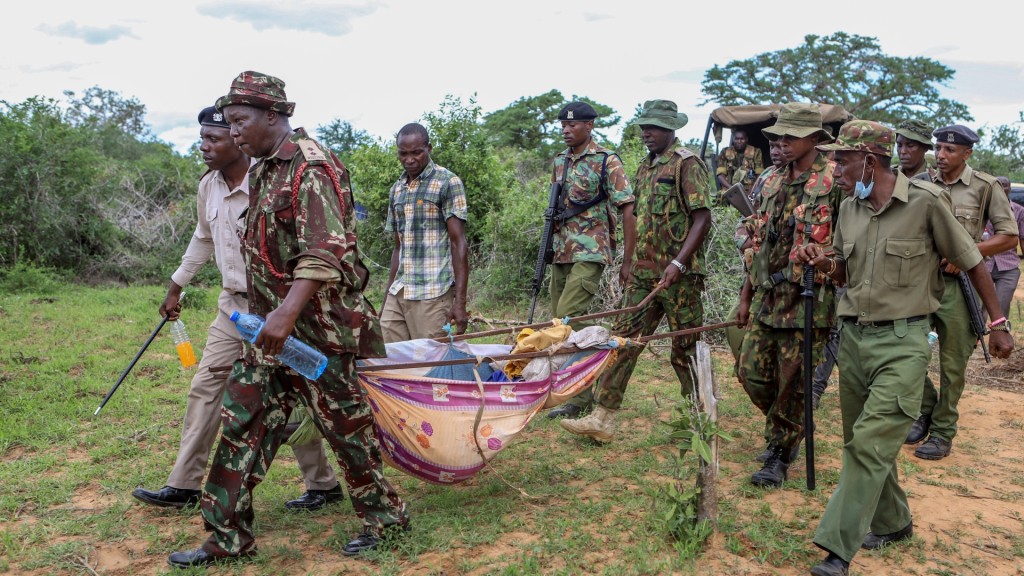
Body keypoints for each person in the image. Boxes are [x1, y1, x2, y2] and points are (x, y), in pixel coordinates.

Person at [167, 72, 408, 568]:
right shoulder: (262, 171)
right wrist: (266, 319)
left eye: (240, 121)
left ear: (272, 117)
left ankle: (385, 519)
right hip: (270, 333)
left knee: (347, 430)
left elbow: (325, 252)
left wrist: (284, 314)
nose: (233, 133)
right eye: (229, 123)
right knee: (242, 421)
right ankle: (226, 538)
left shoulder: (311, 168)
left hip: (321, 333)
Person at [794, 120, 1013, 576]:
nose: (834, 169)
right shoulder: (849, 208)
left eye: (842, 160)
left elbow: (973, 264)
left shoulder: (926, 203)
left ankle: (837, 548)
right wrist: (822, 260)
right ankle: (893, 523)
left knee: (868, 445)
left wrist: (998, 323)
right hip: (853, 340)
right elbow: (841, 270)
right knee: (864, 441)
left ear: (869, 161)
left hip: (902, 343)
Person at [131, 107, 344, 514]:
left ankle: (323, 484)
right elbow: (202, 237)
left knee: (294, 393)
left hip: (280, 308)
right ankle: (184, 484)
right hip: (232, 308)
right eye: (202, 139)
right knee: (207, 386)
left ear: (235, 136)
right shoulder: (208, 186)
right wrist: (177, 286)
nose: (204, 147)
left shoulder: (271, 180)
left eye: (213, 139)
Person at [559, 99, 712, 441]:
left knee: (685, 348)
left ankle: (699, 418)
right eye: (644, 127)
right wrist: (628, 262)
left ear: (672, 129)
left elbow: (702, 217)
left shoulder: (687, 164)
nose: (648, 133)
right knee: (623, 342)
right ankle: (602, 417)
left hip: (680, 276)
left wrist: (679, 262)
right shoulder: (644, 167)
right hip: (644, 273)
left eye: (655, 127)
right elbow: (637, 219)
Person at [735, 102, 841, 487]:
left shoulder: (833, 181)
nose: (781, 142)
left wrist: (827, 262)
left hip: (808, 300)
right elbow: (757, 241)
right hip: (767, 295)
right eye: (778, 136)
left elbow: (847, 244)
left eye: (790, 136)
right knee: (751, 373)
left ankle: (779, 453)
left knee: (794, 382)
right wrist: (746, 296)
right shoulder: (770, 179)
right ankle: (787, 428)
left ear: (814, 138)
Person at [906, 124, 1019, 459]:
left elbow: (1008, 236)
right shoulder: (919, 183)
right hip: (919, 282)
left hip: (960, 285)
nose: (941, 155)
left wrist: (968, 252)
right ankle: (926, 408)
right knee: (906, 350)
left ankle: (942, 431)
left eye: (949, 150)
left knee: (953, 365)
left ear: (967, 153)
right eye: (938, 148)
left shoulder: (984, 187)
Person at [545, 102, 636, 419]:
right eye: (563, 126)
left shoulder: (606, 161)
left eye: (573, 125)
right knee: (560, 323)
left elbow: (627, 207)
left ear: (589, 126)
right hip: (561, 250)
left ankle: (604, 346)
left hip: (591, 249)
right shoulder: (560, 162)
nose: (566, 130)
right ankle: (579, 397)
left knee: (568, 316)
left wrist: (627, 259)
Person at [381, 123, 469, 342]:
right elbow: (398, 247)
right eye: (403, 153)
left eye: (416, 152)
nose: (409, 159)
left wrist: (460, 303)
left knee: (429, 363)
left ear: (428, 148)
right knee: (389, 357)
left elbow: (459, 244)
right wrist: (386, 297)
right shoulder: (397, 188)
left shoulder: (447, 182)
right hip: (400, 290)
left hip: (433, 292)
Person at [983, 176, 1024, 322]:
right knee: (977, 308)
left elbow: (1022, 239)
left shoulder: (1019, 211)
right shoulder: (982, 209)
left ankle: (999, 339)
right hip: (982, 265)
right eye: (998, 185)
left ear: (1010, 189)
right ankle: (974, 341)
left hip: (1008, 267)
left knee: (1001, 310)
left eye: (1005, 185)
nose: (1001, 188)